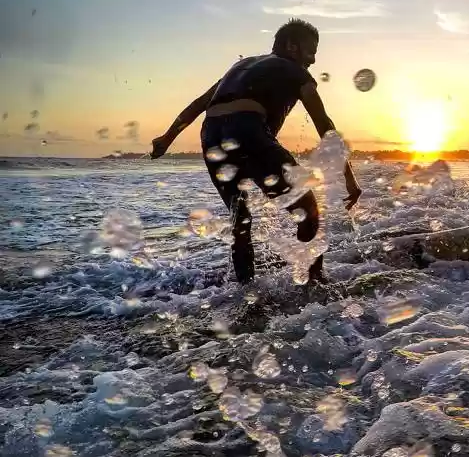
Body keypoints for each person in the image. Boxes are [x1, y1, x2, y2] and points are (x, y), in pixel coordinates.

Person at [149, 19, 361, 284]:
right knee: (309, 211)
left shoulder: (240, 66)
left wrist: (167, 138)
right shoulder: (296, 71)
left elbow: (199, 104)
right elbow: (325, 125)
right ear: (292, 46)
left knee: (241, 220)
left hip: (211, 136)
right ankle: (315, 283)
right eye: (311, 52)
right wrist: (349, 179)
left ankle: (245, 295)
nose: (313, 60)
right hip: (247, 131)